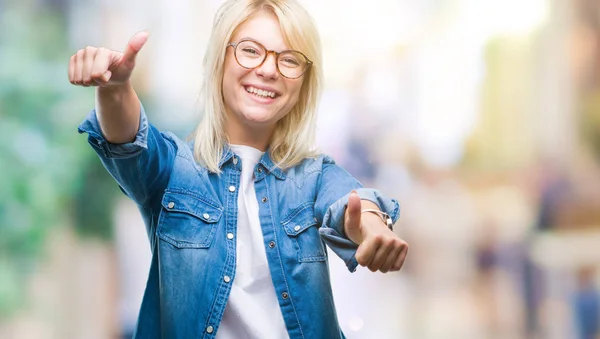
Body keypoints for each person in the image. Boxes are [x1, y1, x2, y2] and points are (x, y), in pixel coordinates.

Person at [68, 0, 408, 338]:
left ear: (304, 82)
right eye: (250, 50)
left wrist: (372, 224)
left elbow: (352, 201)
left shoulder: (313, 176)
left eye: (289, 59)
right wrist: (114, 89)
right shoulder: (174, 169)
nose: (269, 69)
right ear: (220, 60)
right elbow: (128, 140)